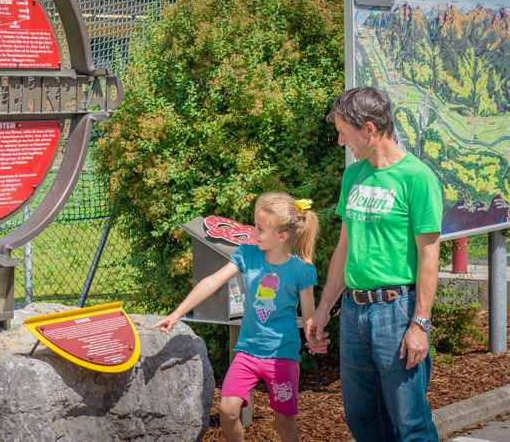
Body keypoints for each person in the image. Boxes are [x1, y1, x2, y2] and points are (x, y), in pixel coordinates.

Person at [305, 87, 442, 441]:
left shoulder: (418, 178)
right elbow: (344, 249)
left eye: (343, 132)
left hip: (397, 312)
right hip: (354, 312)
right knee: (362, 418)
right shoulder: (354, 176)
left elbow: (429, 255)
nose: (339, 141)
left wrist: (420, 323)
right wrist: (323, 311)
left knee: (409, 423)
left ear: (368, 129)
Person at [153, 192, 319, 442]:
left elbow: (309, 316)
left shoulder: (302, 270)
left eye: (260, 229)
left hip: (281, 356)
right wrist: (178, 313)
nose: (254, 232)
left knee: (284, 420)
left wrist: (313, 335)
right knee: (228, 411)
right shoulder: (248, 255)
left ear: (281, 236)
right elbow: (212, 282)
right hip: (247, 353)